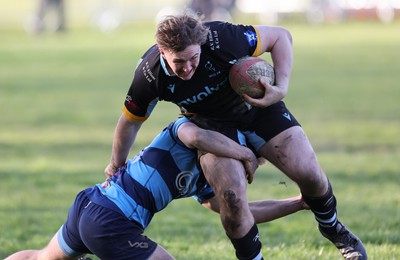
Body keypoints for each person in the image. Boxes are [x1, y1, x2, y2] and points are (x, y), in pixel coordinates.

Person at [104, 11, 367, 259]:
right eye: (178, 62)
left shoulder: (221, 39)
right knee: (230, 199)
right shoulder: (150, 75)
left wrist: (282, 87)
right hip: (210, 126)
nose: (187, 68)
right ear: (163, 52)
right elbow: (130, 121)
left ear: (201, 45)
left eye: (193, 58)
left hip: (257, 109)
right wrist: (117, 163)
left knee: (309, 173)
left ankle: (332, 228)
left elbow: (280, 36)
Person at [6, 117, 308, 260]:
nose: (255, 164)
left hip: (91, 204)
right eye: (258, 157)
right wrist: (244, 154)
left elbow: (242, 213)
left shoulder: (206, 178)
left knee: (40, 258)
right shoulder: (182, 131)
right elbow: (194, 136)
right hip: (110, 221)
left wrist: (298, 202)